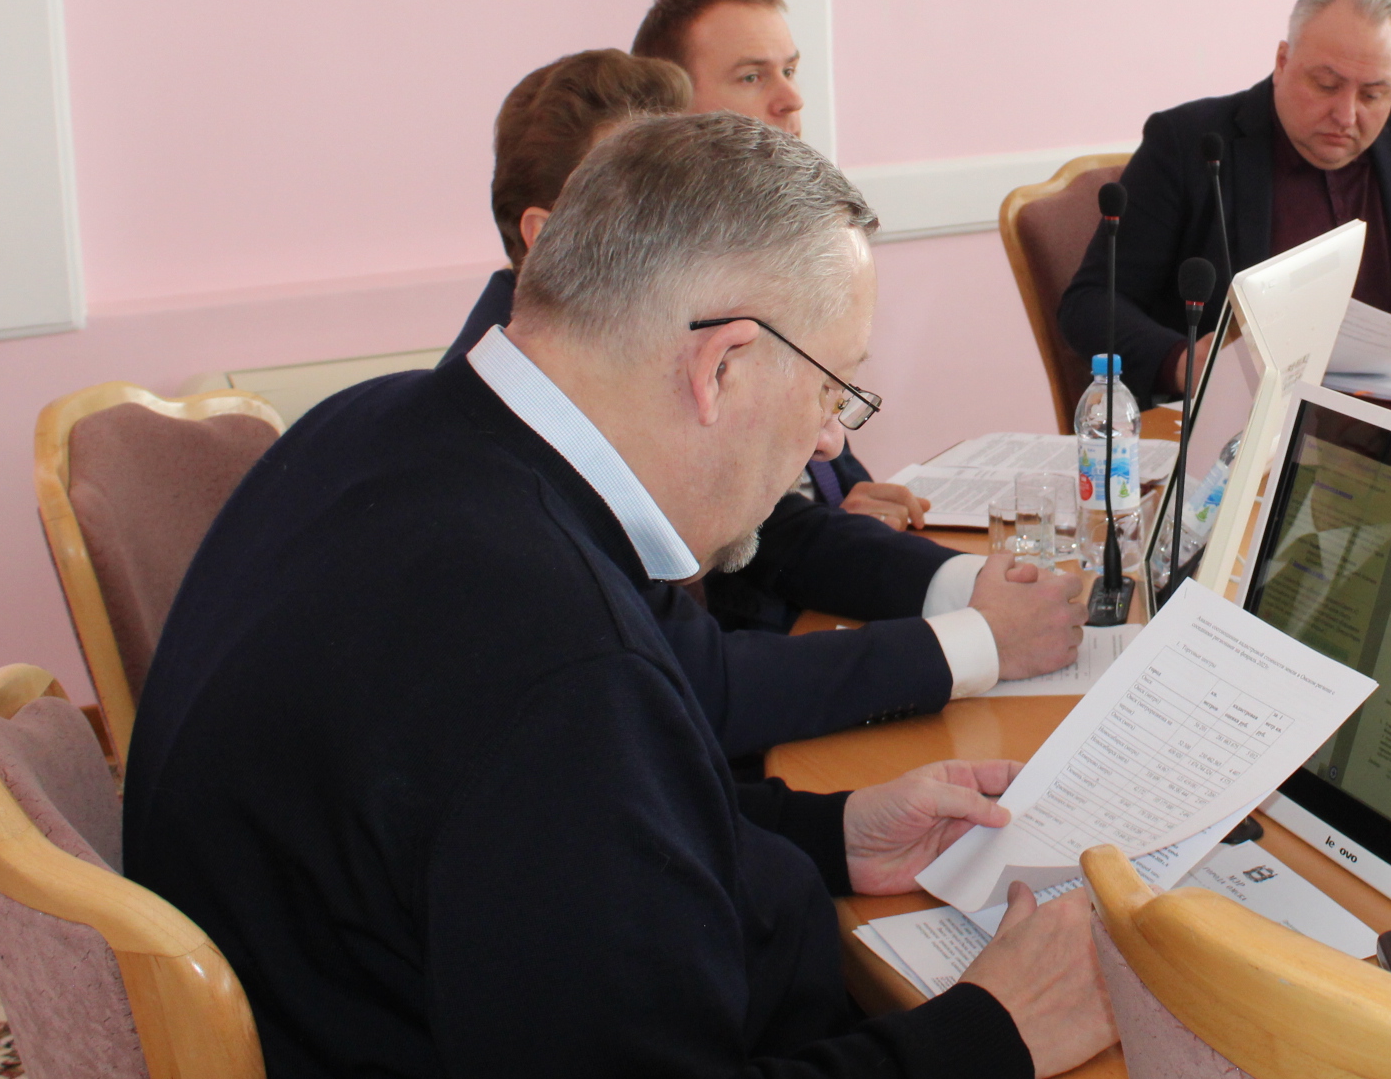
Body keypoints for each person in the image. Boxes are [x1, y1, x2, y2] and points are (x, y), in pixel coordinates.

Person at [127, 113, 1115, 1079]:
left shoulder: (369, 423)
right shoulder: (560, 663)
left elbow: (544, 835)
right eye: (832, 389)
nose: (828, 440)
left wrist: (832, 832)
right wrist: (998, 1029)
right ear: (720, 367)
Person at [448, 50, 1084, 758]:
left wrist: (968, 588)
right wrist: (976, 640)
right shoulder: (505, 488)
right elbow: (684, 689)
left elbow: (780, 530)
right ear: (550, 238)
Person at [1059, 0, 1391, 402]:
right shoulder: (1189, 145)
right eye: (1326, 85)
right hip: (1243, 416)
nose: (1346, 115)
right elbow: (1091, 303)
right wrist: (1182, 362)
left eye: (1373, 95)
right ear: (1283, 62)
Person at [630, 0, 925, 528]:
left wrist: (854, 503)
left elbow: (822, 431)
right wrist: (835, 534)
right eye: (752, 76)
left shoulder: (779, 235)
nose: (791, 99)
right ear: (669, 106)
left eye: (789, 70)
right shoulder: (660, 278)